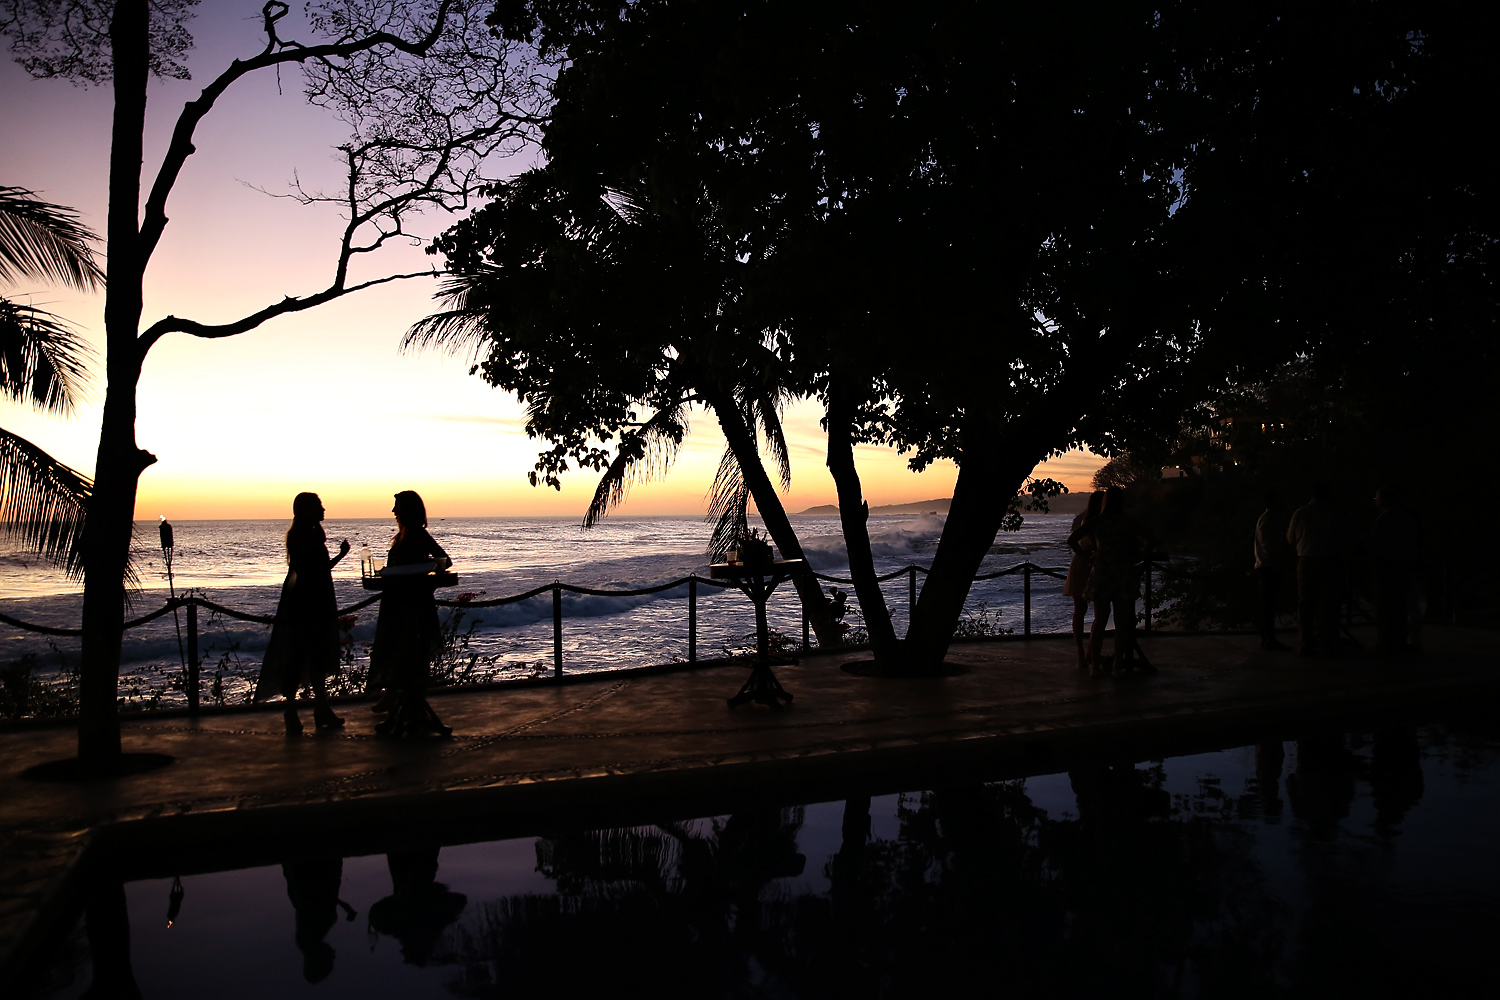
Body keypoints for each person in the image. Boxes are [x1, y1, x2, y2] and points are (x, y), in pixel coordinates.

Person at [254, 492, 350, 734]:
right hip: (309, 603)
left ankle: (318, 708)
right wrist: (341, 555)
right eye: (319, 506)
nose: (323, 509)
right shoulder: (305, 537)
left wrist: (340, 555)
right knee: (300, 656)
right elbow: (315, 570)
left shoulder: (305, 535)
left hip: (310, 600)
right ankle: (296, 711)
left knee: (311, 656)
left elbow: (317, 569)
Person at [368, 490, 452, 737]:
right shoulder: (403, 535)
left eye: (397, 507)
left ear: (407, 510)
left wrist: (418, 572)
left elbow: (445, 560)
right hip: (398, 603)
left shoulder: (418, 534)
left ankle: (405, 708)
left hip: (412, 606)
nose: (393, 511)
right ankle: (401, 705)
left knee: (409, 655)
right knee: (401, 654)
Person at [1068, 486, 1151, 677]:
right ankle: (1117, 665)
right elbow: (1151, 538)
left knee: (1100, 620)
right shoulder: (1128, 521)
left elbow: (1072, 540)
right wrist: (1139, 556)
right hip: (1123, 571)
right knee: (1121, 622)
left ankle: (1095, 666)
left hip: (1102, 572)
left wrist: (1086, 555)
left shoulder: (1098, 521)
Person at [1286, 481, 1342, 657]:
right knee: (1329, 603)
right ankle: (1328, 643)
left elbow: (1290, 539)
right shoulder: (1335, 513)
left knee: (1305, 604)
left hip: (1306, 560)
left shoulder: (1300, 513)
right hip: (1330, 561)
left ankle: (1305, 641)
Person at [1371, 485, 1422, 656]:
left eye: (1377, 499)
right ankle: (1401, 641)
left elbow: (1377, 545)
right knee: (1401, 607)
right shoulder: (1407, 518)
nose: (1375, 502)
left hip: (1388, 569)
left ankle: (1387, 642)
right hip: (1405, 567)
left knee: (1386, 608)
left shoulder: (1384, 520)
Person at [1064, 491, 1107, 670]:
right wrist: (1085, 555)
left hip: (1091, 563)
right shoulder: (1092, 521)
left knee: (1092, 611)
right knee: (1082, 610)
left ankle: (1088, 652)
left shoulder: (1096, 521)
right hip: (1085, 564)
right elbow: (1077, 541)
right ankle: (1082, 651)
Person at [1254, 490, 1292, 650]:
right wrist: (1278, 564)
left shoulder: (1268, 519)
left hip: (1267, 566)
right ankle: (1268, 638)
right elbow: (1269, 547)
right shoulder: (1269, 520)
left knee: (1267, 605)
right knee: (1268, 605)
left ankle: (1267, 638)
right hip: (1269, 567)